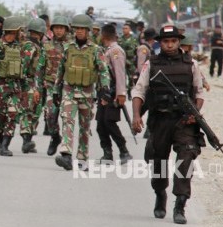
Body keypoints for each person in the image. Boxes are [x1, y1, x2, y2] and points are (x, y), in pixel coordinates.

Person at [132, 25, 205, 224]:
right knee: (158, 162)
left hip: (184, 121)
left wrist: (195, 113)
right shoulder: (151, 63)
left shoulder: (191, 64)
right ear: (159, 42)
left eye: (173, 41)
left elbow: (199, 93)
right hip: (161, 120)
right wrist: (136, 116)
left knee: (186, 158)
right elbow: (139, 91)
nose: (170, 45)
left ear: (179, 42)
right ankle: (160, 194)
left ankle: (180, 204)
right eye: (166, 41)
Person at [54, 14, 110, 170]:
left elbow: (103, 70)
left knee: (84, 127)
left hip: (87, 93)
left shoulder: (96, 50)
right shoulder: (67, 48)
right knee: (67, 121)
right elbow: (61, 70)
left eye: (82, 29)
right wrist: (55, 90)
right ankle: (66, 155)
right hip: (69, 91)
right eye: (77, 28)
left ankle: (82, 158)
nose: (79, 31)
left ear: (88, 31)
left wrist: (105, 88)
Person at [96, 24, 133, 164]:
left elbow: (119, 73)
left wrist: (121, 93)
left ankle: (124, 150)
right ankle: (107, 153)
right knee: (100, 123)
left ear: (103, 35)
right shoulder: (107, 50)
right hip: (103, 92)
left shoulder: (116, 51)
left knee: (109, 122)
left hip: (112, 93)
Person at [0, 16, 24, 156]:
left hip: (15, 87)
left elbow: (24, 68)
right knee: (0, 116)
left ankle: (5, 145)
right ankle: (0, 141)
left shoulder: (19, 46)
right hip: (0, 86)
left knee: (12, 114)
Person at [42, 16, 70, 156]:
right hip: (51, 86)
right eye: (56, 28)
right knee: (50, 115)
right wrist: (36, 87)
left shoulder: (71, 46)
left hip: (67, 87)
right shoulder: (46, 46)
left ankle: (66, 146)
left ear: (66, 29)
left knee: (67, 116)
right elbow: (40, 68)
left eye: (61, 28)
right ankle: (55, 137)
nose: (59, 31)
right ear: (52, 29)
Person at [19, 18, 46, 153]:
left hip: (38, 83)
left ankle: (28, 140)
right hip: (29, 82)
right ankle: (26, 140)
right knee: (27, 112)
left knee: (36, 112)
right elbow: (24, 65)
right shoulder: (30, 46)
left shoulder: (39, 46)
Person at [134, 27, 157, 139]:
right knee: (147, 105)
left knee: (150, 105)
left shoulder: (149, 47)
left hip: (151, 81)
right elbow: (141, 66)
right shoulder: (144, 48)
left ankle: (147, 128)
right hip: (145, 82)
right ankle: (137, 123)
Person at [118, 22, 138, 100]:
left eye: (126, 28)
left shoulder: (134, 39)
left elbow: (137, 50)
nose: (124, 30)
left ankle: (129, 92)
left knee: (131, 78)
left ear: (129, 30)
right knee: (121, 78)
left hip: (131, 62)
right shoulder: (120, 39)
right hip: (121, 61)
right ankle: (122, 93)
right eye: (123, 28)